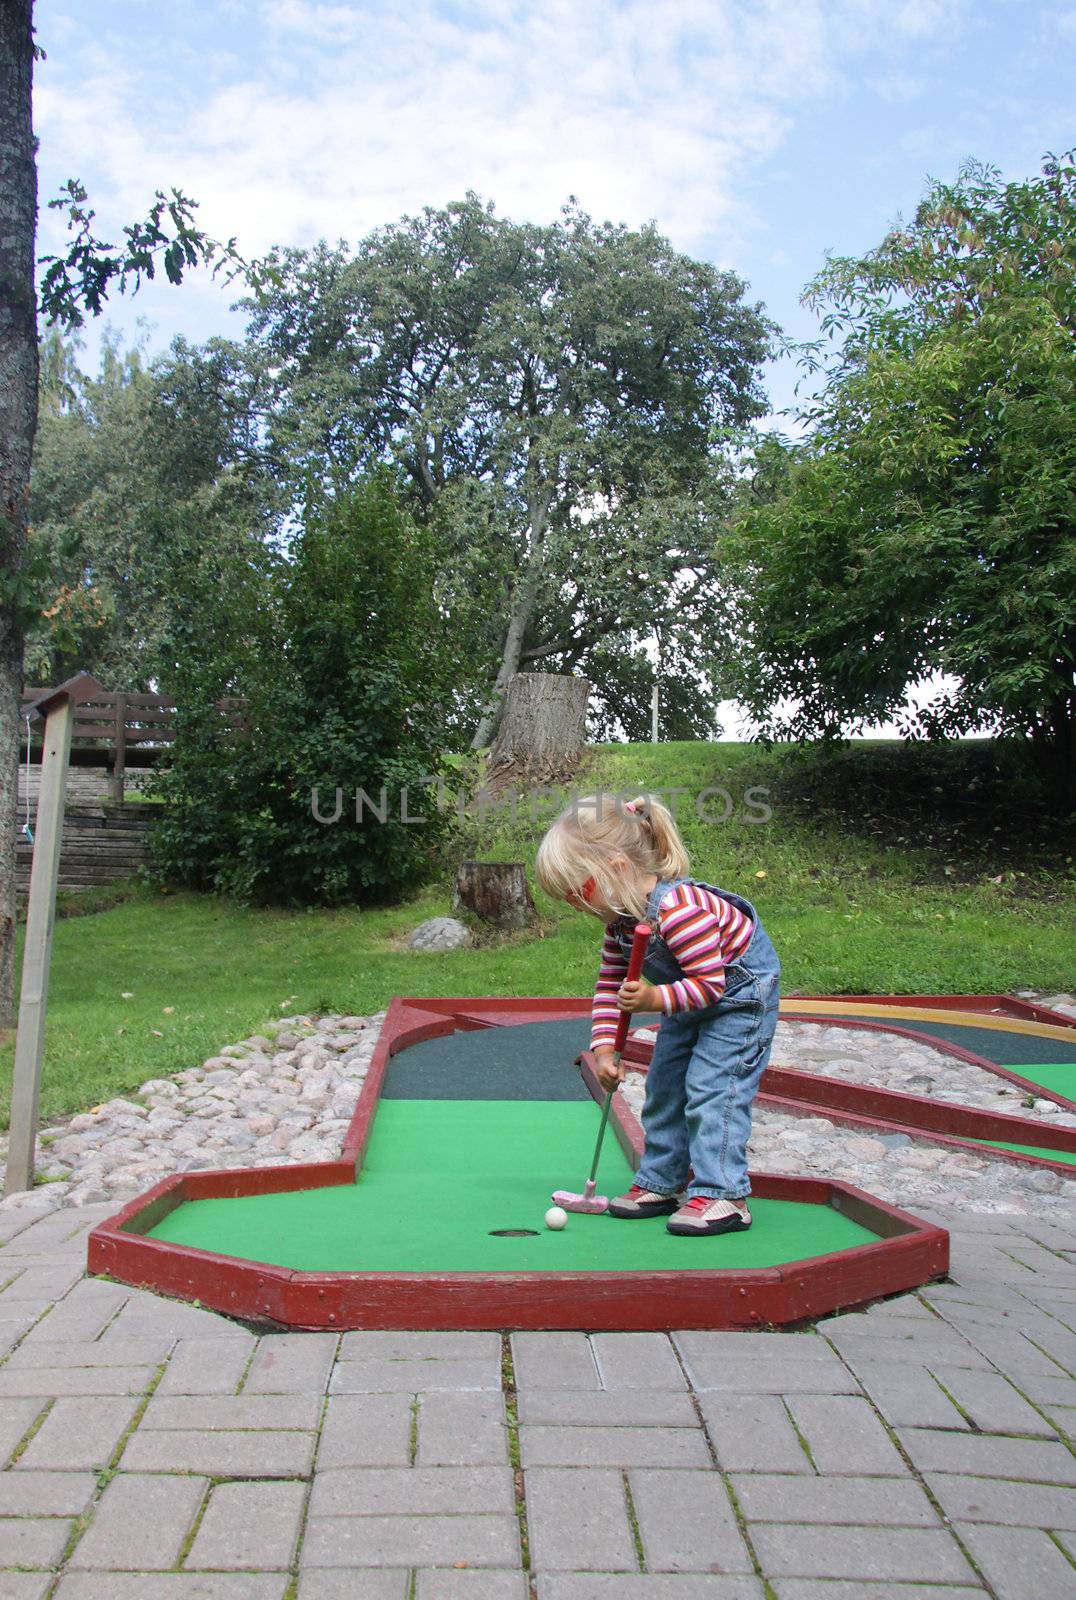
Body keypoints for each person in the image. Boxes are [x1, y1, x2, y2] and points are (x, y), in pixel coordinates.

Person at [535, 790, 781, 1236]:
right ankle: (662, 1182)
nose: (575, 904)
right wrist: (605, 1047)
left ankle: (725, 1194)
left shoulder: (681, 912)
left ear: (616, 868)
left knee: (713, 1088)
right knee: (665, 1085)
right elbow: (610, 986)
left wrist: (652, 1000)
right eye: (566, 896)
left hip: (738, 1001)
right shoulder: (621, 924)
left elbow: (711, 986)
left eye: (578, 890)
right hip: (686, 999)